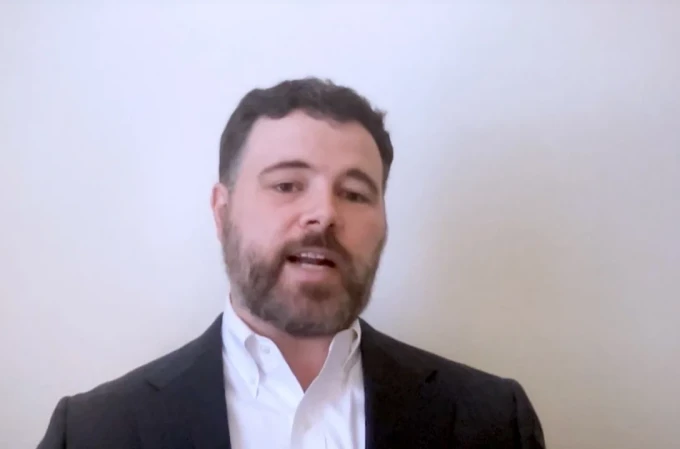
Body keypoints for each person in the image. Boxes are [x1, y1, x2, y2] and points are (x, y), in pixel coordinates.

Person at [36, 77, 546, 449]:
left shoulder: (493, 422)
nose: (324, 213)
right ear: (222, 212)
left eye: (354, 193)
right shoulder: (93, 433)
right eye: (286, 185)